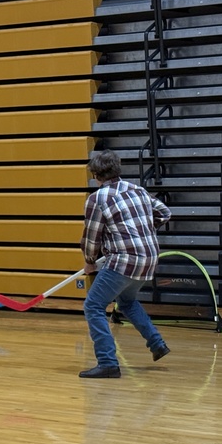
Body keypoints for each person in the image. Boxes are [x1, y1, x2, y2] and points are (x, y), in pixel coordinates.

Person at [78, 149, 171, 379]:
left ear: (96, 175)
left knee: (93, 306)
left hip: (124, 260)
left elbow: (92, 238)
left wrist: (89, 261)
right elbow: (164, 212)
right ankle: (157, 344)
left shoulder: (97, 198)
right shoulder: (137, 189)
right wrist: (142, 231)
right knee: (127, 301)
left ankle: (108, 363)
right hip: (149, 259)